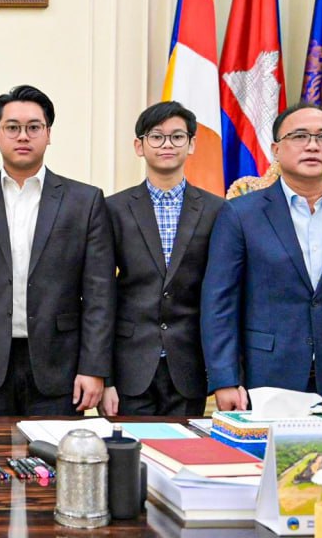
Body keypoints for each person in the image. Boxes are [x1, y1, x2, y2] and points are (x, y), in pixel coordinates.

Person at [201, 103, 322, 409]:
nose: (312, 145)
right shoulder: (241, 214)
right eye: (299, 136)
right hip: (265, 377)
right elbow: (220, 303)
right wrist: (225, 378)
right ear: (276, 150)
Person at [0, 85, 116, 416]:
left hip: (61, 364)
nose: (23, 136)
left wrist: (93, 367)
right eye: (12, 127)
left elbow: (99, 292)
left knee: (57, 449)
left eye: (34, 127)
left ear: (48, 134)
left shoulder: (84, 201)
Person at [100, 102, 223, 417]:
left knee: (184, 447)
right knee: (129, 449)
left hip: (189, 364)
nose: (167, 144)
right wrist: (105, 377)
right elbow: (101, 296)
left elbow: (222, 295)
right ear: (139, 146)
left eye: (177, 136)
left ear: (191, 144)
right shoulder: (112, 209)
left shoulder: (217, 210)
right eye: (156, 137)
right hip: (129, 365)